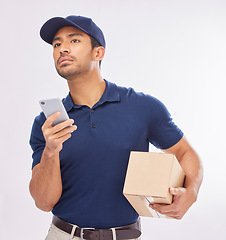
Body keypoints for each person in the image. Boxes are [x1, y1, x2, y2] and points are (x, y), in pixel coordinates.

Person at [29, 15, 203, 240]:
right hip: (64, 235)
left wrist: (192, 192)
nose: (62, 49)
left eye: (74, 41)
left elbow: (184, 151)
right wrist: (51, 151)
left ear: (98, 53)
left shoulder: (143, 107)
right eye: (57, 44)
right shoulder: (47, 124)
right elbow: (44, 202)